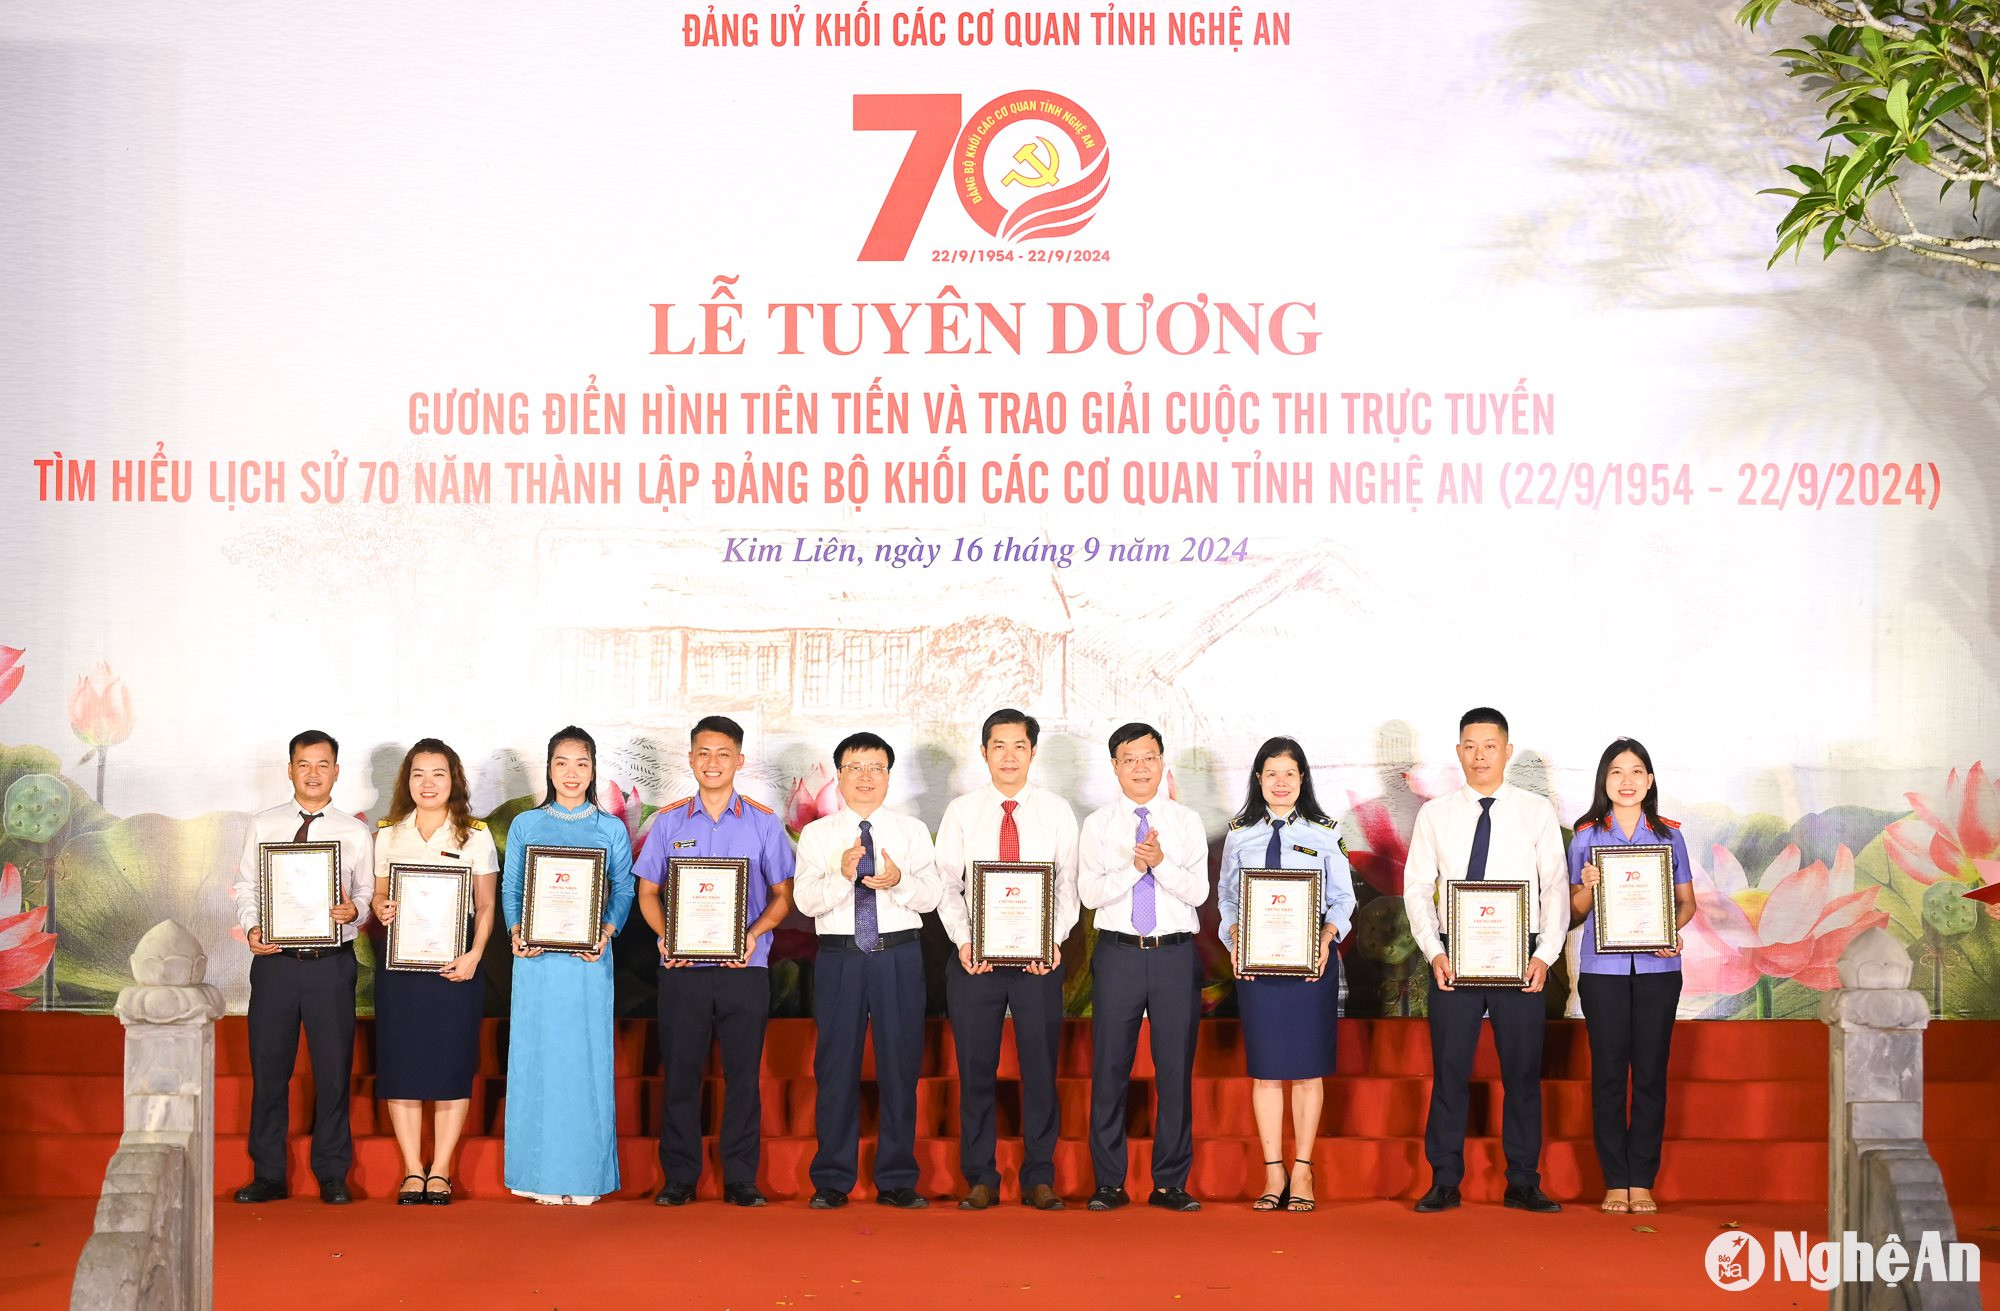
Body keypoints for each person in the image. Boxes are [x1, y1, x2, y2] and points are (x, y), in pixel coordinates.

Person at [1403, 708, 1569, 1214]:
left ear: (1506, 751)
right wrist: (1434, 951)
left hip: (1521, 956)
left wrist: (1545, 955)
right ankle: (1444, 1180)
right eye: (1470, 746)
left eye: (1490, 746)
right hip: (1453, 956)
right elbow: (1417, 888)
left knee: (1522, 1072)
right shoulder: (1435, 814)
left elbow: (1554, 888)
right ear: (1459, 752)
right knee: (1450, 1070)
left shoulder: (1536, 811)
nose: (1480, 756)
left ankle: (1523, 1180)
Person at [634, 714, 796, 1207]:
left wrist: (753, 935)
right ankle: (679, 1177)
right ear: (690, 759)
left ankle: (741, 1178)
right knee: (680, 1075)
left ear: (739, 760)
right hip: (683, 969)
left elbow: (783, 897)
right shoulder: (669, 821)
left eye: (723, 753)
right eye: (703, 753)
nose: (712, 762)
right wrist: (666, 937)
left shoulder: (764, 823)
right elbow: (648, 893)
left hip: (744, 968)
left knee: (743, 1077)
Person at [935, 708, 1080, 1211]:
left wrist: (1051, 940)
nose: (1010, 756)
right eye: (999, 746)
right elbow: (946, 886)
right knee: (976, 1071)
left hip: (1037, 962)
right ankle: (980, 1176)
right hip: (976, 962)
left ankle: (1039, 1175)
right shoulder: (962, 812)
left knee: (1040, 1070)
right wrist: (964, 940)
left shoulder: (1056, 811)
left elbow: (1068, 885)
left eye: (1019, 745)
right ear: (984, 752)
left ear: (1032, 752)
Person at [792, 731, 942, 1210]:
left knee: (900, 1065)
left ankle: (897, 1178)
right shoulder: (818, 834)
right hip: (840, 957)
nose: (865, 777)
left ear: (888, 776)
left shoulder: (912, 831)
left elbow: (931, 898)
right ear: (839, 776)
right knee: (836, 1066)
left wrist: (898, 881)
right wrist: (841, 875)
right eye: (855, 767)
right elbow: (805, 901)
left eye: (876, 767)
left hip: (899, 954)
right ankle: (832, 1179)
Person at [229, 729, 374, 1205]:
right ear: (290, 769)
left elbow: (365, 892)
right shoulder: (263, 825)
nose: (313, 773)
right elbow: (248, 886)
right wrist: (253, 927)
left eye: (323, 764)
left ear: (337, 771)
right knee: (270, 1072)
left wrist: (355, 911)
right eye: (304, 764)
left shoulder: (354, 832)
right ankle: (268, 1174)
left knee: (333, 1072)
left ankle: (332, 1173)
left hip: (330, 965)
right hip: (276, 965)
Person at [1217, 736, 1356, 1214]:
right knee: (1267, 1072)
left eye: (1289, 774)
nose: (1280, 783)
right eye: (1271, 773)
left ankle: (1303, 1169)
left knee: (1307, 1070)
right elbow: (1228, 899)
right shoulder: (1239, 834)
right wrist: (1235, 936)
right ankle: (1273, 1171)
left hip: (1310, 966)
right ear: (1258, 778)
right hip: (1258, 969)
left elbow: (1343, 898)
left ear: (1302, 779)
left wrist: (1328, 935)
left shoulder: (1325, 832)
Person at [501, 726, 635, 1205]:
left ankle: (584, 1177)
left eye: (582, 763)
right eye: (562, 762)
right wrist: (517, 930)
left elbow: (624, 888)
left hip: (587, 960)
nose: (572, 772)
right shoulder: (526, 825)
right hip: (536, 961)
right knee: (536, 1059)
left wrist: (607, 930)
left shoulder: (610, 828)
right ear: (549, 768)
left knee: (584, 1062)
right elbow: (512, 887)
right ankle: (533, 1173)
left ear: (593, 769)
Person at [1078, 722, 1208, 1213]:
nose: (1140, 767)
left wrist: (1160, 863)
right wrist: (1135, 868)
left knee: (1174, 1071)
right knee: (1110, 1067)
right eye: (1129, 759)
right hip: (1119, 954)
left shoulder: (1186, 821)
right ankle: (1109, 1182)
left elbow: (1198, 892)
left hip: (1174, 954)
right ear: (1115, 766)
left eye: (1148, 757)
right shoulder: (1098, 825)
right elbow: (1090, 894)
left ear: (1162, 762)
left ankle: (1170, 1183)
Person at [1567, 737, 1696, 1216]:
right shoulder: (1585, 837)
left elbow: (1687, 904)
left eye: (1636, 771)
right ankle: (1614, 1181)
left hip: (1659, 969)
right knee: (1607, 1076)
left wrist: (1671, 932)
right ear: (1604, 780)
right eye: (1617, 772)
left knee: (1649, 1075)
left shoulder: (1669, 836)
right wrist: (1587, 887)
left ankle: (1641, 1180)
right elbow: (1573, 913)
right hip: (1603, 972)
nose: (1627, 780)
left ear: (1650, 779)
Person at [369, 738, 498, 1206]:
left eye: (438, 774)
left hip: (455, 966)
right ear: (407, 780)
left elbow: (486, 905)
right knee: (400, 1064)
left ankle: (440, 1169)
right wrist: (380, 907)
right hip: (401, 967)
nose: (428, 783)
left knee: (450, 1064)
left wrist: (475, 955)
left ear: (453, 780)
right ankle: (412, 1169)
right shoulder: (389, 835)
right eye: (418, 774)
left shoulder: (475, 835)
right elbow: (378, 896)